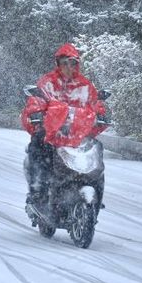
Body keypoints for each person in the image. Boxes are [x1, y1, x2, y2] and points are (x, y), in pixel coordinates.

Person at [21, 43, 108, 204]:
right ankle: (38, 188)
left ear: (77, 64)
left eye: (72, 63)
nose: (68, 67)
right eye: (64, 63)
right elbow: (37, 101)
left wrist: (101, 116)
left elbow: (95, 104)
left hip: (78, 136)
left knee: (97, 148)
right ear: (58, 64)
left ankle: (96, 186)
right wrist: (37, 116)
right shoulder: (48, 83)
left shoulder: (85, 86)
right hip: (53, 135)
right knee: (38, 146)